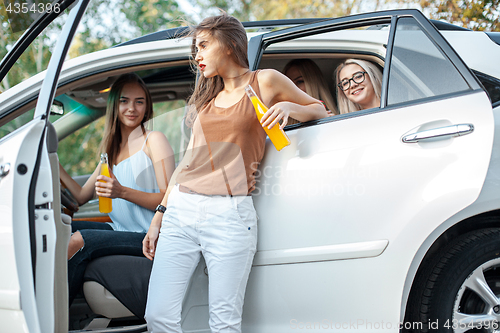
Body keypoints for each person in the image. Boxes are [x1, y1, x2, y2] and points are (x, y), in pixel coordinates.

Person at [143, 12, 328, 333]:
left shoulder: (265, 80)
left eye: (203, 45)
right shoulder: (207, 98)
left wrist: (289, 108)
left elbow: (319, 109)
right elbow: (188, 161)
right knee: (158, 315)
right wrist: (159, 214)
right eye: (194, 49)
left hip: (228, 215)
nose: (197, 55)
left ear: (229, 44)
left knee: (224, 323)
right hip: (181, 212)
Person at [59, 73, 175, 305]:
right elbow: (81, 197)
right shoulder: (110, 152)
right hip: (119, 227)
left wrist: (121, 192)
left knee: (77, 240)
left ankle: (58, 315)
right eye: (124, 101)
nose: (132, 108)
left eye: (139, 101)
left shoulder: (153, 140)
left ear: (146, 107)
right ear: (115, 105)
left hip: (147, 234)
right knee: (58, 228)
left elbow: (169, 197)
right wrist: (52, 162)